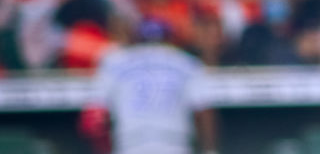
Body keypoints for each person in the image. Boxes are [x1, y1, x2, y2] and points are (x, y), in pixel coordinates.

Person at [80, 17, 218, 154]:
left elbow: (95, 117)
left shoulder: (115, 62)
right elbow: (203, 110)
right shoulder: (187, 62)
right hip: (173, 142)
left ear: (137, 38)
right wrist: (209, 150)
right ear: (169, 38)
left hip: (130, 143)